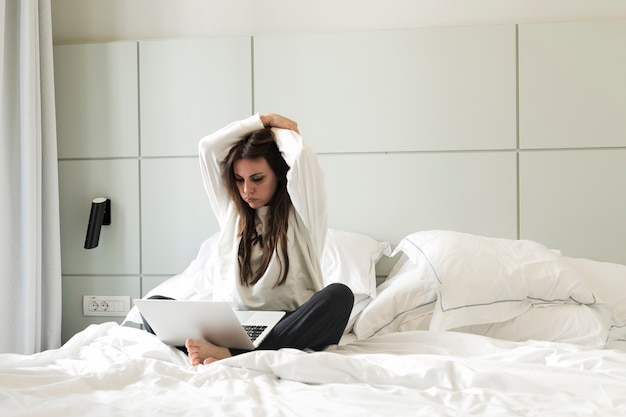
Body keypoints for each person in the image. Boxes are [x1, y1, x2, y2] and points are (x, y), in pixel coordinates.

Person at [170, 113, 353, 365]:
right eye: (239, 179)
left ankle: (234, 356)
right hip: (233, 328)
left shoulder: (303, 215)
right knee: (156, 307)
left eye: (257, 178)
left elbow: (300, 157)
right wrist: (262, 119)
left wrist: (273, 131)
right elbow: (208, 148)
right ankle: (224, 350)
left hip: (290, 323)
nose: (247, 190)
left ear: (279, 174)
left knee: (339, 296)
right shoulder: (231, 213)